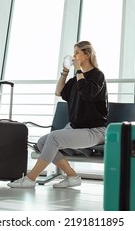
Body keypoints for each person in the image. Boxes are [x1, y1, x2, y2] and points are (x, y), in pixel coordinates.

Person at [8, 40, 108, 189]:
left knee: (54, 138)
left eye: (77, 53)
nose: (73, 56)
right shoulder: (75, 79)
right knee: (42, 142)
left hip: (94, 131)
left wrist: (79, 71)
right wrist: (65, 72)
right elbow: (59, 92)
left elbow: (87, 94)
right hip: (75, 128)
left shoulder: (97, 75)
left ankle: (30, 178)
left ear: (86, 55)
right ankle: (73, 177)